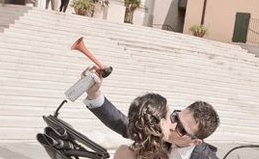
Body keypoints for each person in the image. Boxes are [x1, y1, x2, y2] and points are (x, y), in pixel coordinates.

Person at [83, 67, 220, 159]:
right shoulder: (158, 130)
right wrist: (94, 93)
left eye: (181, 129)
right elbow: (123, 123)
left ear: (194, 142)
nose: (172, 125)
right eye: (175, 117)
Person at [114, 93, 174, 159]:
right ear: (162, 124)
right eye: (170, 118)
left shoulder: (122, 152)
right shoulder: (166, 156)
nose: (172, 124)